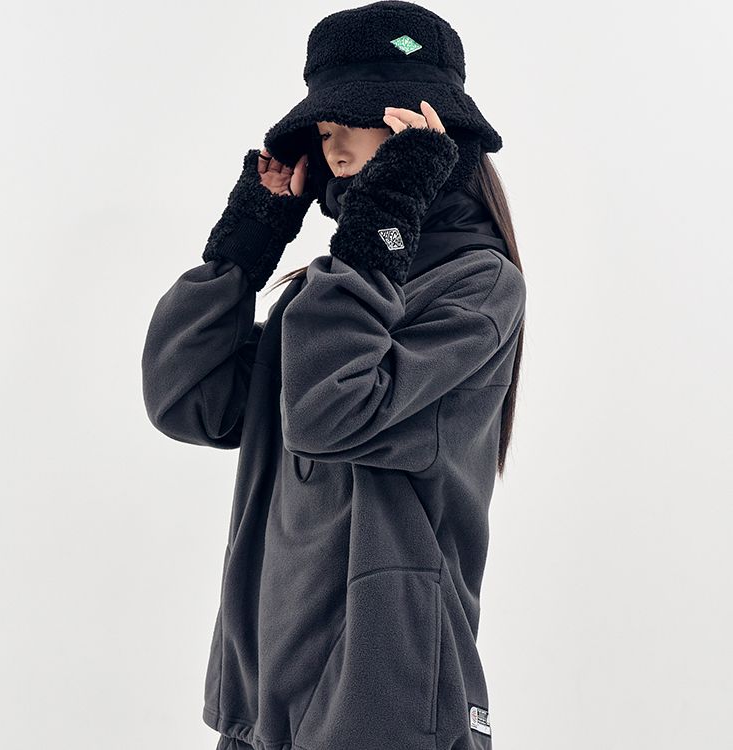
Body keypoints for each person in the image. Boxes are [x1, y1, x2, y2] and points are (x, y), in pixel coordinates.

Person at [141, 2, 526, 749]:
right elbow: (188, 400)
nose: (336, 146)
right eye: (323, 129)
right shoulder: (334, 289)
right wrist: (245, 249)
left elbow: (329, 414)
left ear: (428, 131)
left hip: (383, 695)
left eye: (357, 120)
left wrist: (381, 223)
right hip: (269, 693)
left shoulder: (479, 286)